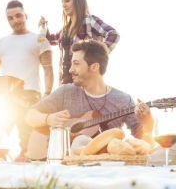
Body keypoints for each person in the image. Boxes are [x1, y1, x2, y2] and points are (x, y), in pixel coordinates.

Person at [25, 40, 154, 159]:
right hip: (64, 166)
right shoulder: (65, 92)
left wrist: (148, 124)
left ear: (94, 67)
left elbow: (144, 144)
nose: (70, 70)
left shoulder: (123, 100)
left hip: (106, 170)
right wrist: (48, 119)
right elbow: (29, 115)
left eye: (76, 64)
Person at [0, 0, 54, 160]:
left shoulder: (39, 40)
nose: (15, 20)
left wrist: (47, 94)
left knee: (28, 138)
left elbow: (48, 69)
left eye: (18, 16)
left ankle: (30, 173)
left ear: (26, 16)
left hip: (30, 94)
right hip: (5, 96)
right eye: (10, 18)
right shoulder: (0, 43)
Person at [40, 0, 120, 85]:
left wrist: (98, 55)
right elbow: (51, 40)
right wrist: (44, 27)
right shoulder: (65, 29)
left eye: (67, 1)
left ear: (78, 2)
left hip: (84, 81)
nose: (63, 5)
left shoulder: (89, 21)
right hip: (65, 82)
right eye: (62, 2)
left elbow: (113, 34)